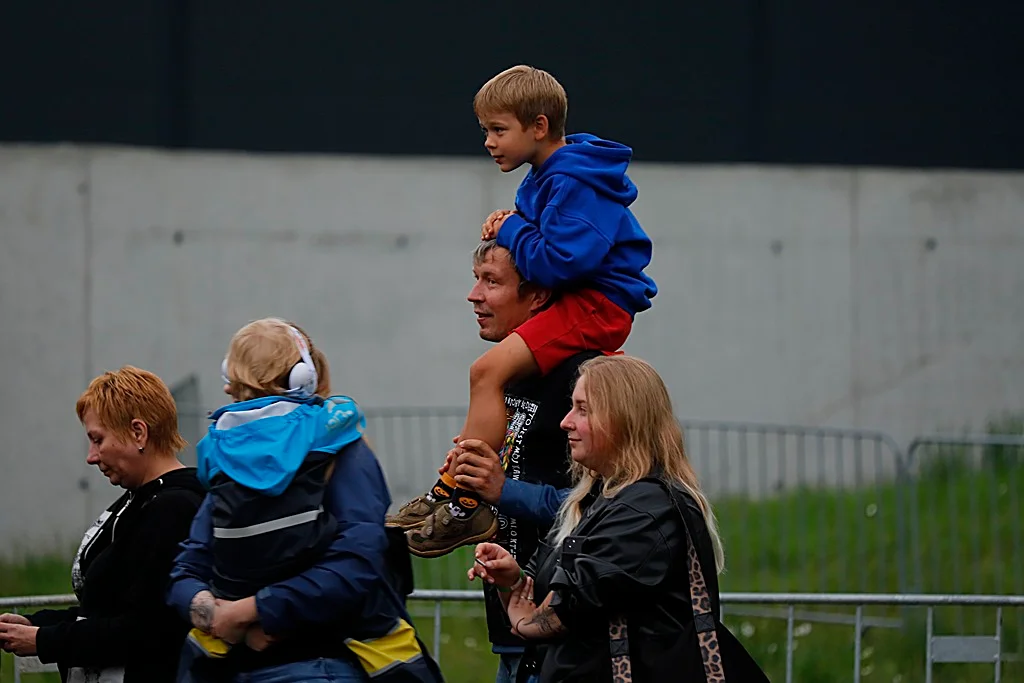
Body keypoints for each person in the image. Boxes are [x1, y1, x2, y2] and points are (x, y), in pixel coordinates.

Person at [390, 64, 658, 556]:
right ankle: (455, 490)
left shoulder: (574, 182)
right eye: (485, 131)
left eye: (498, 130)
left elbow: (558, 262)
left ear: (538, 127)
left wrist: (511, 228)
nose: (489, 143)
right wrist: (514, 224)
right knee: (491, 377)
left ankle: (463, 499)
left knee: (486, 372)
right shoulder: (543, 181)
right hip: (581, 298)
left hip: (598, 305)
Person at [167, 319, 441, 683]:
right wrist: (247, 615)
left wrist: (232, 615)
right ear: (303, 377)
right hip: (323, 666)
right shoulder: (340, 450)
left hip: (243, 663)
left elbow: (187, 570)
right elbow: (356, 563)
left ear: (230, 381)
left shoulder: (221, 462)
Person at [466, 355, 765, 682]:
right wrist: (512, 580)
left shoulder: (648, 507)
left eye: (583, 409)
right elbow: (549, 584)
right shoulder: (594, 499)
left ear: (622, 420)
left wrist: (527, 622)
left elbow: (573, 605)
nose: (566, 422)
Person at [390, 240, 597, 682]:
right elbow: (520, 469)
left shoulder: (582, 379)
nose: (474, 295)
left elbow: (605, 508)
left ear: (538, 295)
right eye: (476, 279)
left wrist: (503, 488)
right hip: (512, 625)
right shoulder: (506, 376)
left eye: (492, 281)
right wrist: (469, 476)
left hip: (565, 631)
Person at [0, 367, 206, 683]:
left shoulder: (173, 508)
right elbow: (104, 611)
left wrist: (45, 641)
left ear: (139, 433)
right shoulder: (141, 500)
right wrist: (36, 625)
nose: (91, 457)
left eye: (98, 439)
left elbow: (147, 630)